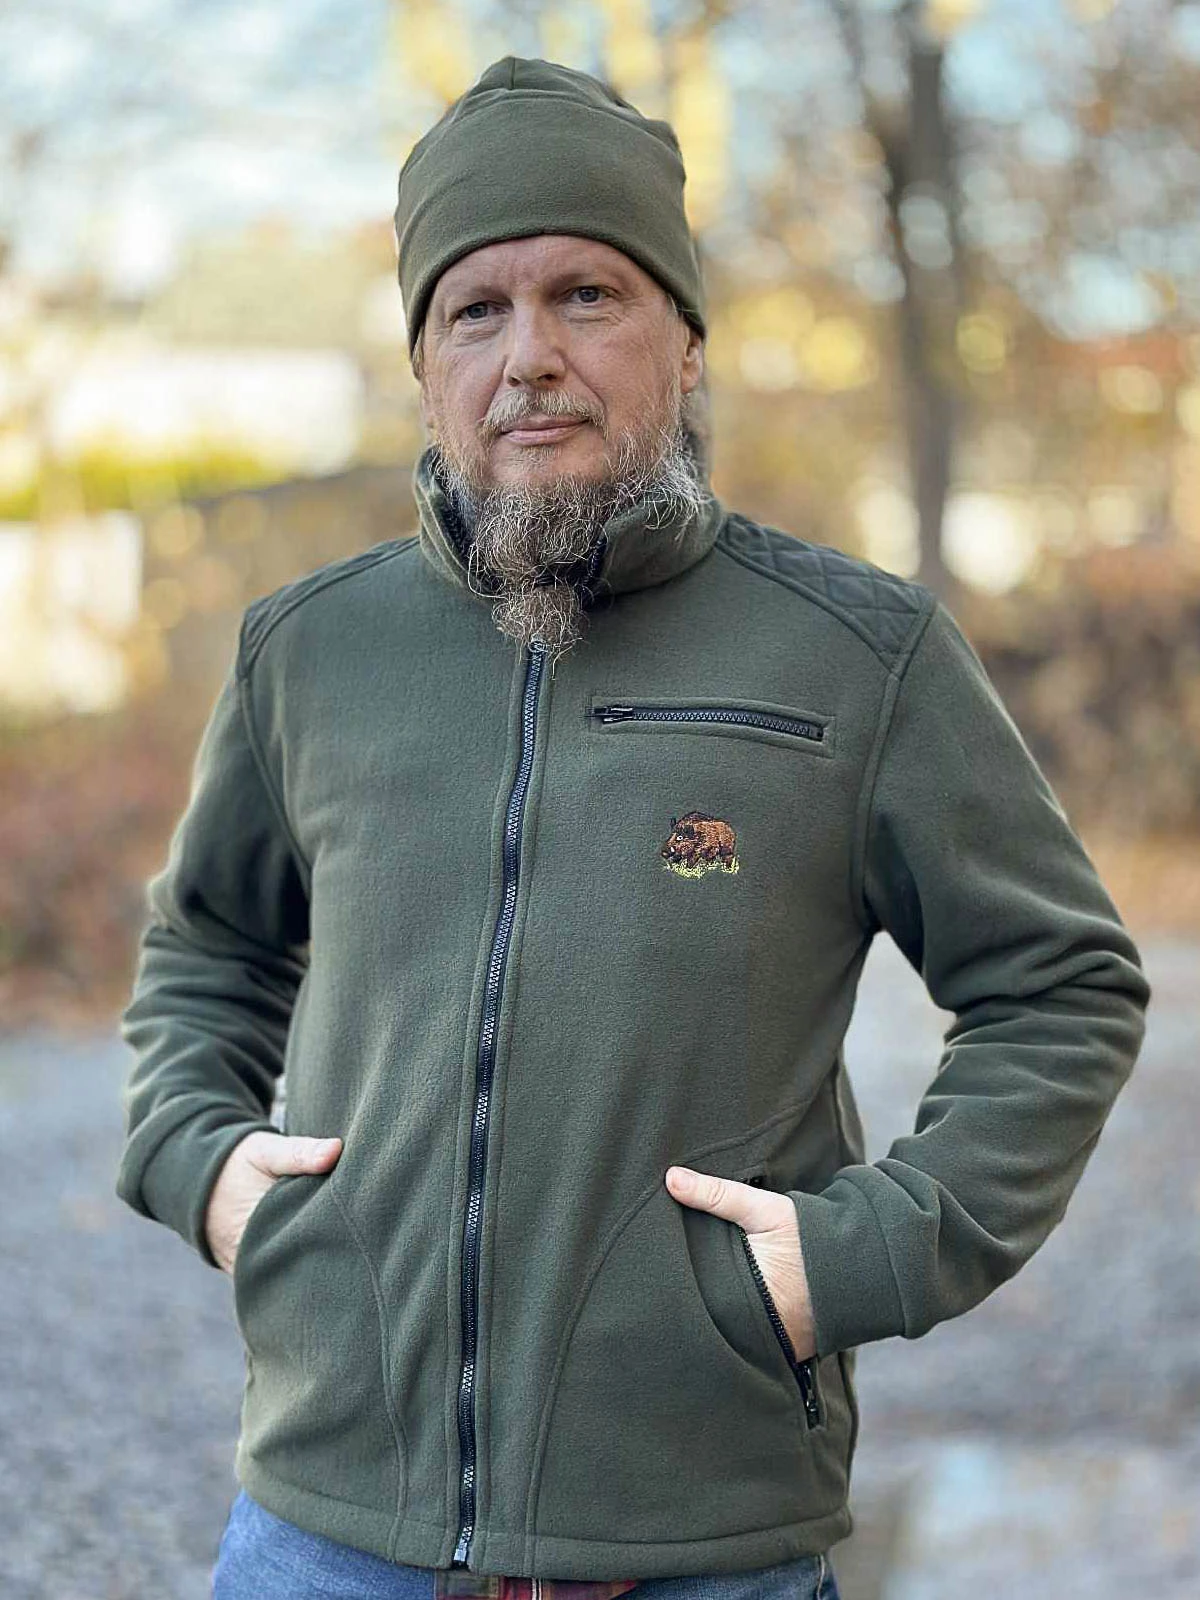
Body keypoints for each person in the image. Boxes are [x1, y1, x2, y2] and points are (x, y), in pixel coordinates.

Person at [114, 55, 1150, 1600]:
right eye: (476, 310)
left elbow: (1060, 986)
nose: (529, 356)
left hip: (705, 1532)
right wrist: (197, 1161)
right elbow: (206, 950)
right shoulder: (308, 651)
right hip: (328, 1527)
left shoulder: (860, 657)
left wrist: (869, 1250)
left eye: (586, 295)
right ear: (426, 365)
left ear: (685, 340)